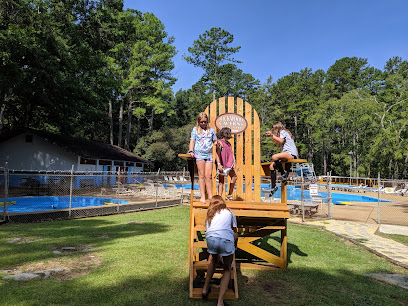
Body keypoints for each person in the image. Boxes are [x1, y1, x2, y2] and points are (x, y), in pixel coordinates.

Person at [202, 195, 237, 306]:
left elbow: (209, 231)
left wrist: (211, 255)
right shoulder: (230, 212)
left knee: (213, 261)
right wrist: (234, 246)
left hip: (211, 240)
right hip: (226, 240)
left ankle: (204, 289)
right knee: (227, 268)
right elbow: (235, 233)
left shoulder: (210, 215)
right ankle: (220, 302)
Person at [188, 112, 218, 203]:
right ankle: (202, 196)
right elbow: (192, 141)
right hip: (199, 154)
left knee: (208, 176)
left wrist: (218, 144)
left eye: (205, 122)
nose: (203, 124)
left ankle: (210, 196)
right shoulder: (195, 130)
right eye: (201, 122)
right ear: (198, 122)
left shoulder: (211, 130)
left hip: (209, 155)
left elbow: (215, 141)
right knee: (202, 175)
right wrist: (191, 150)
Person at [265, 122, 298, 196]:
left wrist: (272, 135)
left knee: (274, 157)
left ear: (277, 129)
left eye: (274, 130)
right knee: (271, 166)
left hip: (290, 153)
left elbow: (281, 141)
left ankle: (283, 174)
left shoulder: (283, 132)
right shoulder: (284, 133)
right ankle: (273, 187)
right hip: (286, 153)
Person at [216, 127, 237, 200]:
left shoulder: (229, 144)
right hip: (222, 164)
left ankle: (229, 194)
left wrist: (234, 162)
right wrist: (219, 164)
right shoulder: (220, 142)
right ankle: (219, 197)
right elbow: (217, 154)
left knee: (234, 177)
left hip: (229, 163)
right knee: (221, 181)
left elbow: (231, 153)